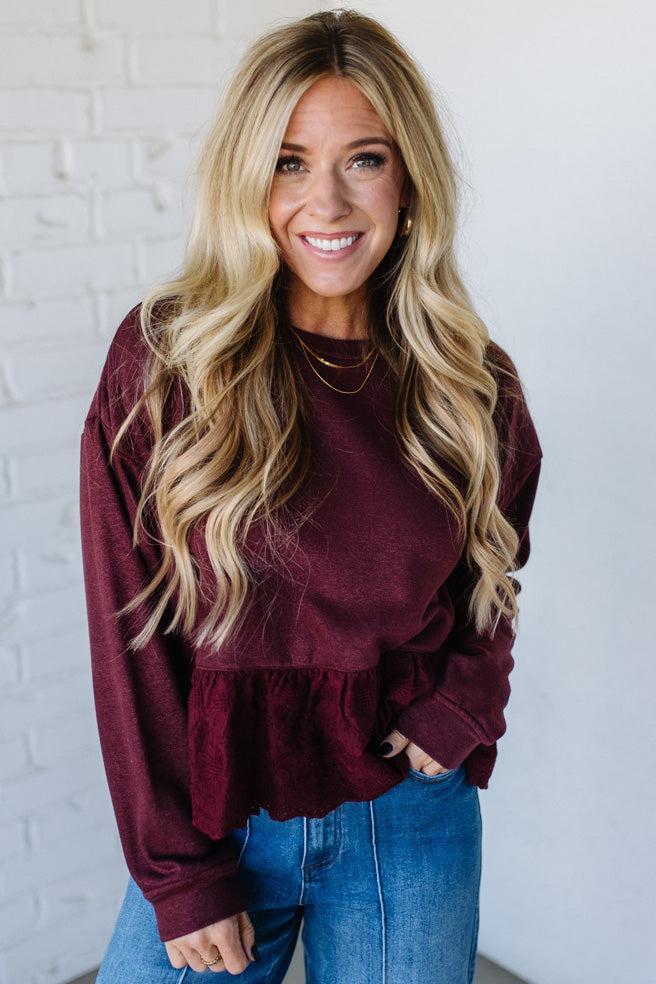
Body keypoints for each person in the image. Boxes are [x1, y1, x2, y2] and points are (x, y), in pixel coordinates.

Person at [79, 9, 543, 983]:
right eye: (289, 162)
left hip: (407, 822)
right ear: (245, 177)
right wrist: (180, 874)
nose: (325, 201)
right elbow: (131, 636)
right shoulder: (167, 361)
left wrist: (464, 701)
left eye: (363, 159)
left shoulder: (469, 379)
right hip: (221, 818)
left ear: (407, 180)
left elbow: (491, 577)